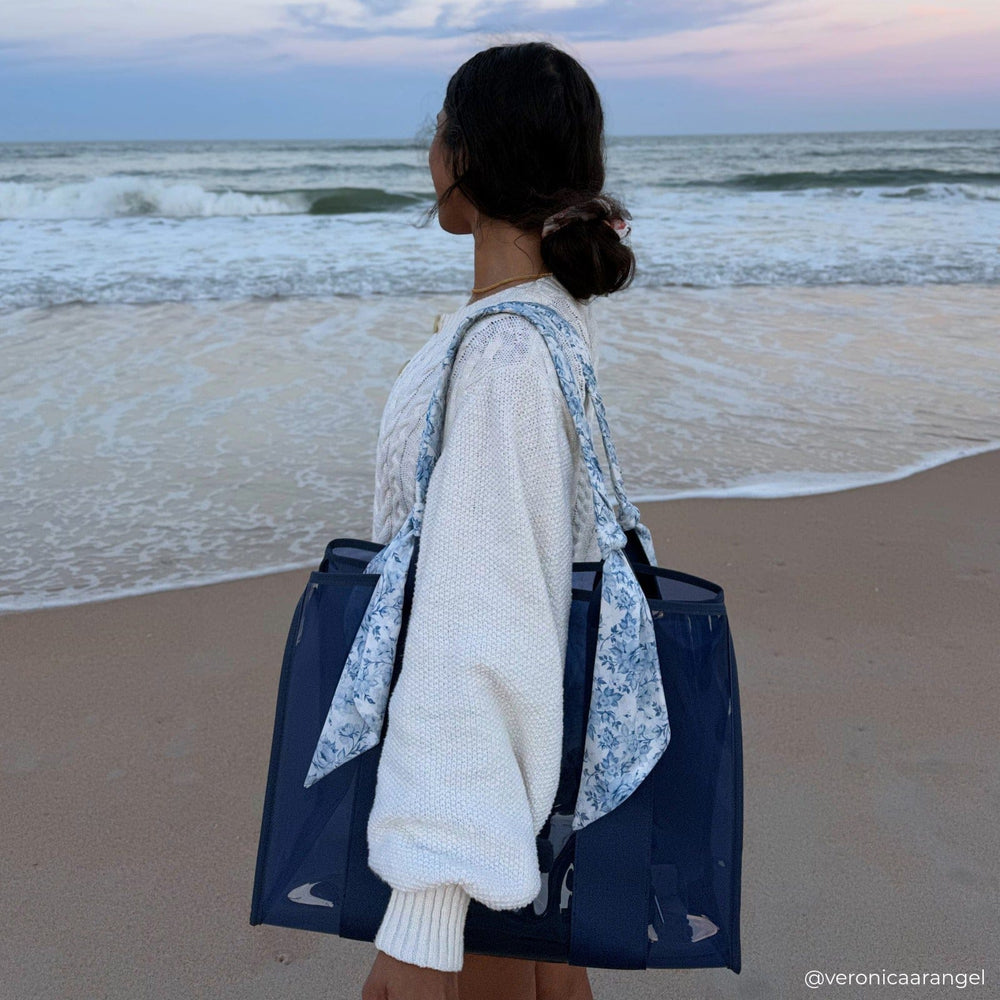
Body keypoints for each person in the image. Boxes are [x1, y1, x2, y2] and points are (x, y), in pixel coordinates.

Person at [360, 41, 635, 1000]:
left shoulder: (506, 357)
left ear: (464, 158)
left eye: (439, 131)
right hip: (519, 787)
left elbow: (476, 629)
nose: (428, 151)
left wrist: (426, 906)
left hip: (477, 818)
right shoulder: (540, 320)